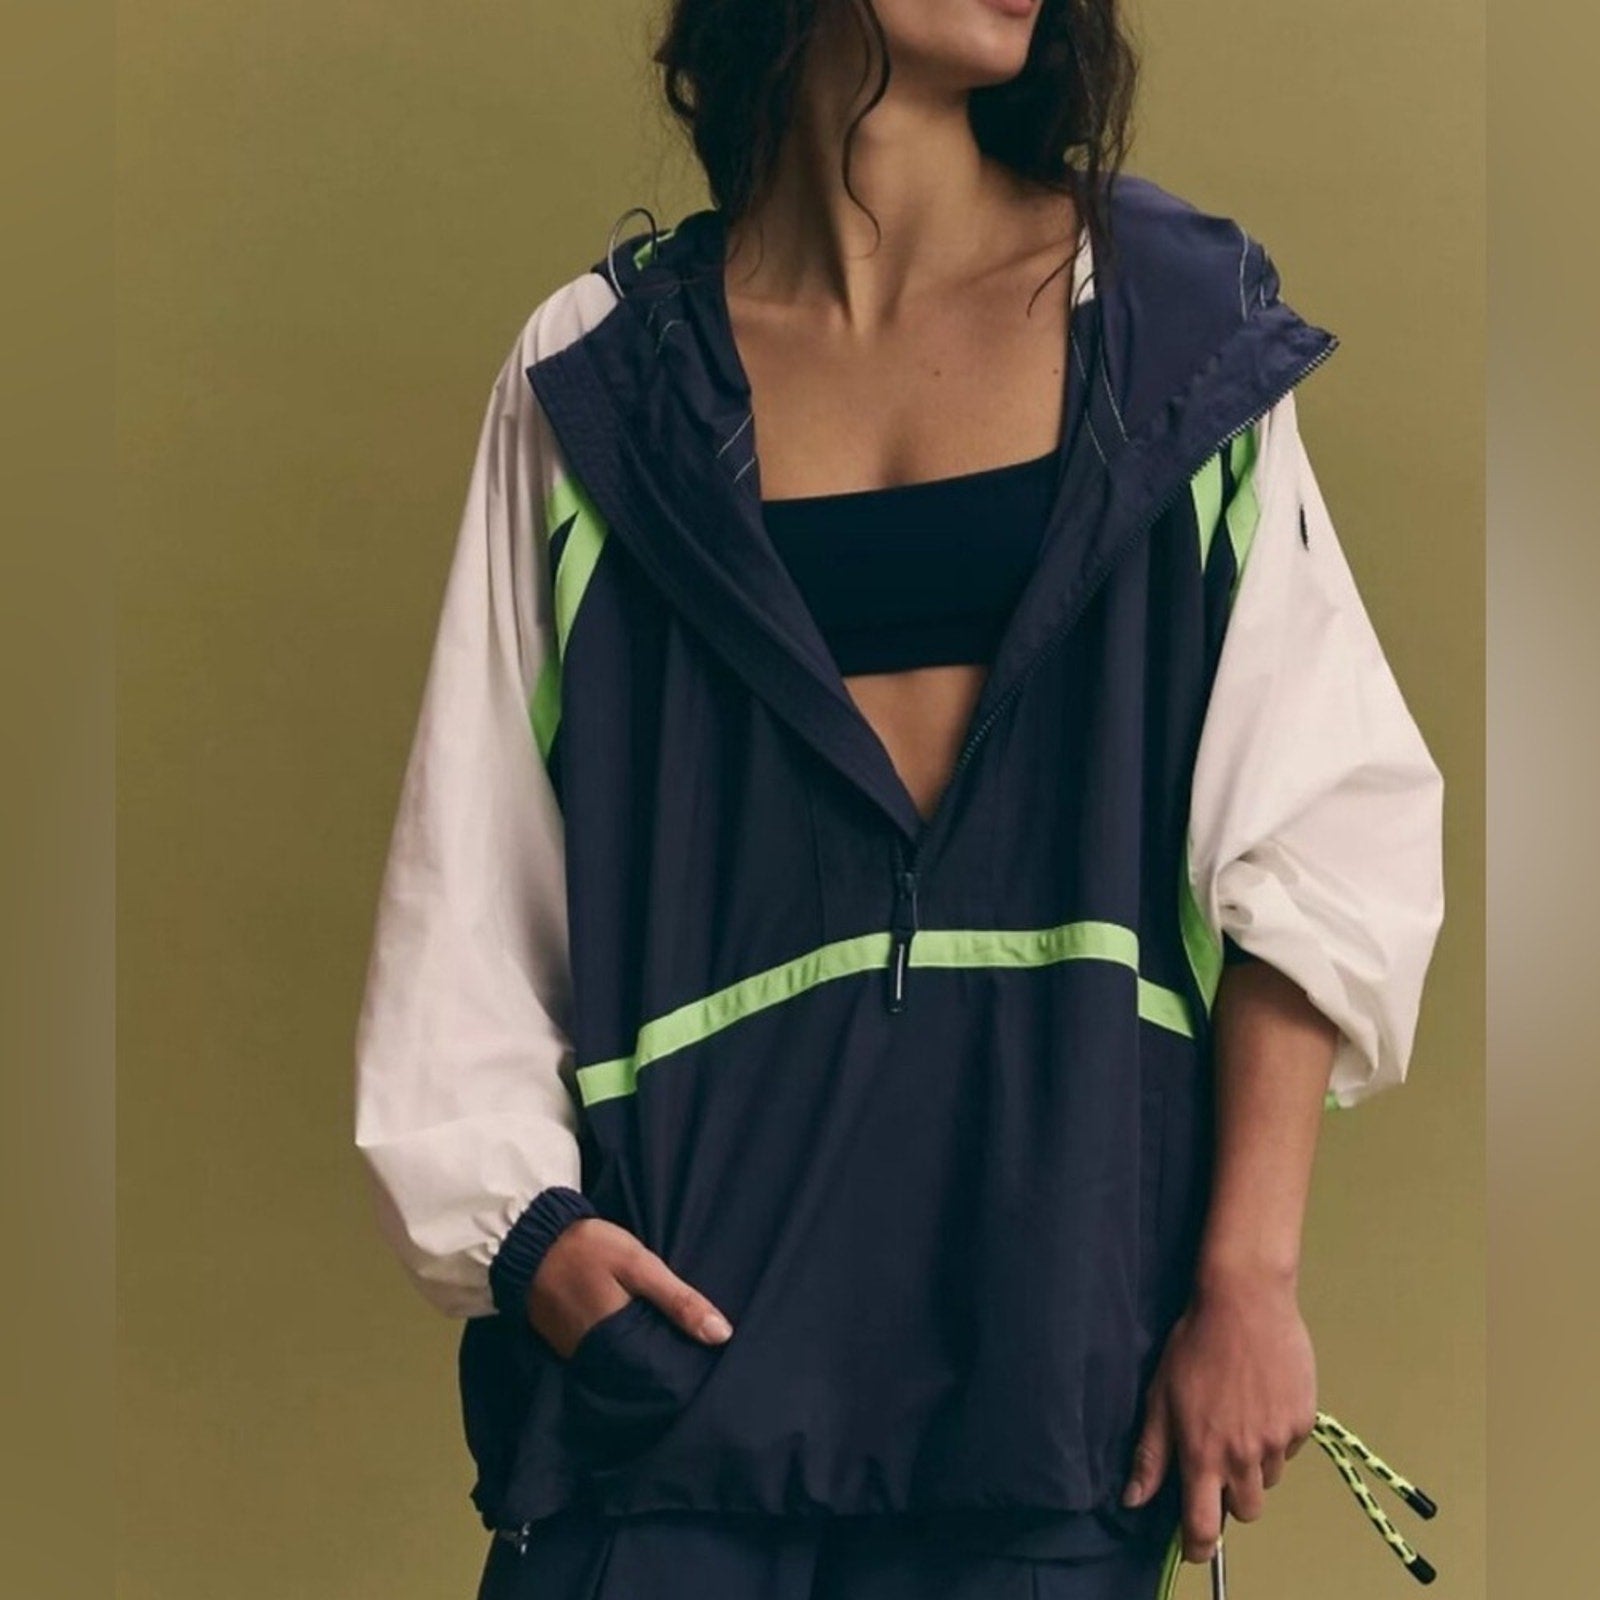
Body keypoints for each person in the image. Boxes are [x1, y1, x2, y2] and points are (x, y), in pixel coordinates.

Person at [352, 2, 1447, 1597]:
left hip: (1054, 1405)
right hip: (671, 1423)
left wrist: (1248, 1281)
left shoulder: (1168, 336)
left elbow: (1320, 829)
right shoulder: (600, 378)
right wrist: (534, 1251)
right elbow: (470, 881)